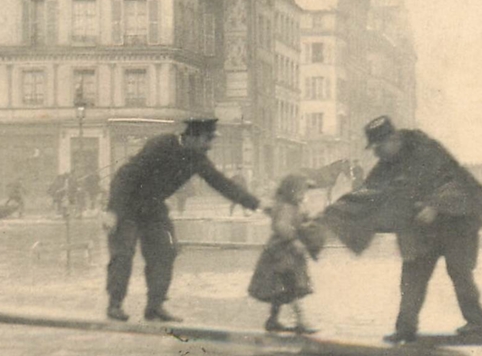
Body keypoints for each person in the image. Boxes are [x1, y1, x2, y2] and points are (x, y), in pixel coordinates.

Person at [322, 116, 482, 343]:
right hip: (422, 229)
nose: (376, 153)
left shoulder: (428, 150)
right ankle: (405, 329)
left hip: (456, 223)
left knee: (460, 273)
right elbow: (368, 194)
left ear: (393, 139)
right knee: (412, 276)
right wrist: (335, 213)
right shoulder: (386, 165)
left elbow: (456, 181)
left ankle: (476, 324)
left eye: (378, 147)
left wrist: (435, 204)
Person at [105, 118, 261, 322]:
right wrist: (112, 210)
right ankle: (115, 304)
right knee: (123, 253)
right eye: (207, 140)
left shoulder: (198, 159)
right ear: (193, 137)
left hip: (153, 207)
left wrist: (255, 204)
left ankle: (155, 306)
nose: (210, 146)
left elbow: (221, 183)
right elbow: (126, 175)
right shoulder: (162, 144)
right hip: (127, 204)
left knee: (166, 250)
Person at [248, 174, 322, 334]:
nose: (304, 195)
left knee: (280, 288)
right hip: (282, 253)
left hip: (286, 254)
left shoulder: (291, 205)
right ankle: (301, 321)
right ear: (291, 191)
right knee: (291, 286)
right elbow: (281, 226)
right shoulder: (287, 207)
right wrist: (294, 239)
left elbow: (297, 221)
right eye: (301, 191)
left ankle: (273, 320)